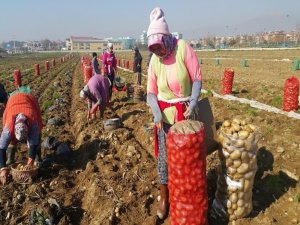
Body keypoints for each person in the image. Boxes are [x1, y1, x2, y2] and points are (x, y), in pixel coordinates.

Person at [146, 7, 202, 219]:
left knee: (189, 159)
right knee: (164, 160)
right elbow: (151, 93)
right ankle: (165, 197)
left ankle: (187, 195)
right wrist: (156, 114)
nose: (159, 52)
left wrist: (194, 101)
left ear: (167, 38)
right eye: (154, 49)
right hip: (164, 117)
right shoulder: (154, 61)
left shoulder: (183, 49)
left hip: (186, 113)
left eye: (160, 47)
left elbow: (196, 77)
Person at [0, 91, 43, 185]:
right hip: (12, 102)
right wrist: (2, 169)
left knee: (37, 138)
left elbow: (33, 143)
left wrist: (30, 163)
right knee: (10, 139)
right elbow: (1, 148)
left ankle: (38, 158)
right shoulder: (8, 128)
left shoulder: (33, 123)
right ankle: (10, 159)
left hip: (29, 100)